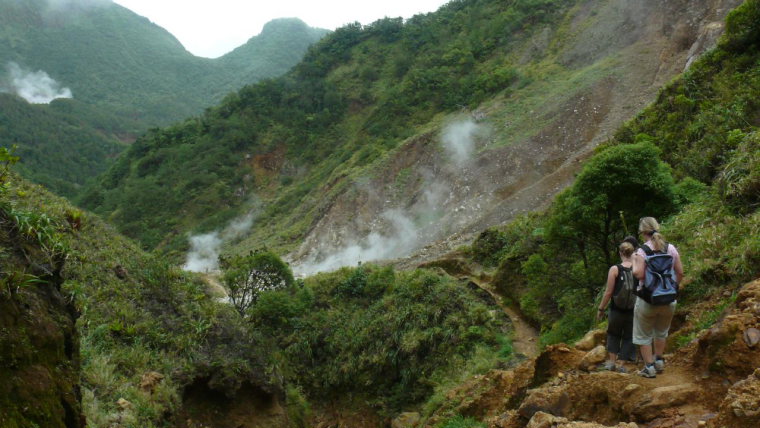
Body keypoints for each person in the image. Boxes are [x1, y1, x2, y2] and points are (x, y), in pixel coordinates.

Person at [632, 217, 684, 378]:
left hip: (648, 299)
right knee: (661, 331)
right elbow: (680, 272)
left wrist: (634, 263)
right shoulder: (670, 248)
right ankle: (659, 361)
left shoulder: (642, 251)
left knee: (643, 333)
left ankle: (649, 367)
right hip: (669, 299)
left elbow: (639, 274)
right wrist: (672, 288)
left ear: (643, 232)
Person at [596, 241, 637, 371]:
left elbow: (608, 292)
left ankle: (612, 362)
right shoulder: (638, 268)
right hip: (632, 309)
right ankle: (622, 365)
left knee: (613, 334)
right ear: (632, 253)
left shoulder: (615, 269)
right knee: (629, 336)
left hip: (616, 309)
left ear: (620, 253)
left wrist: (601, 308)